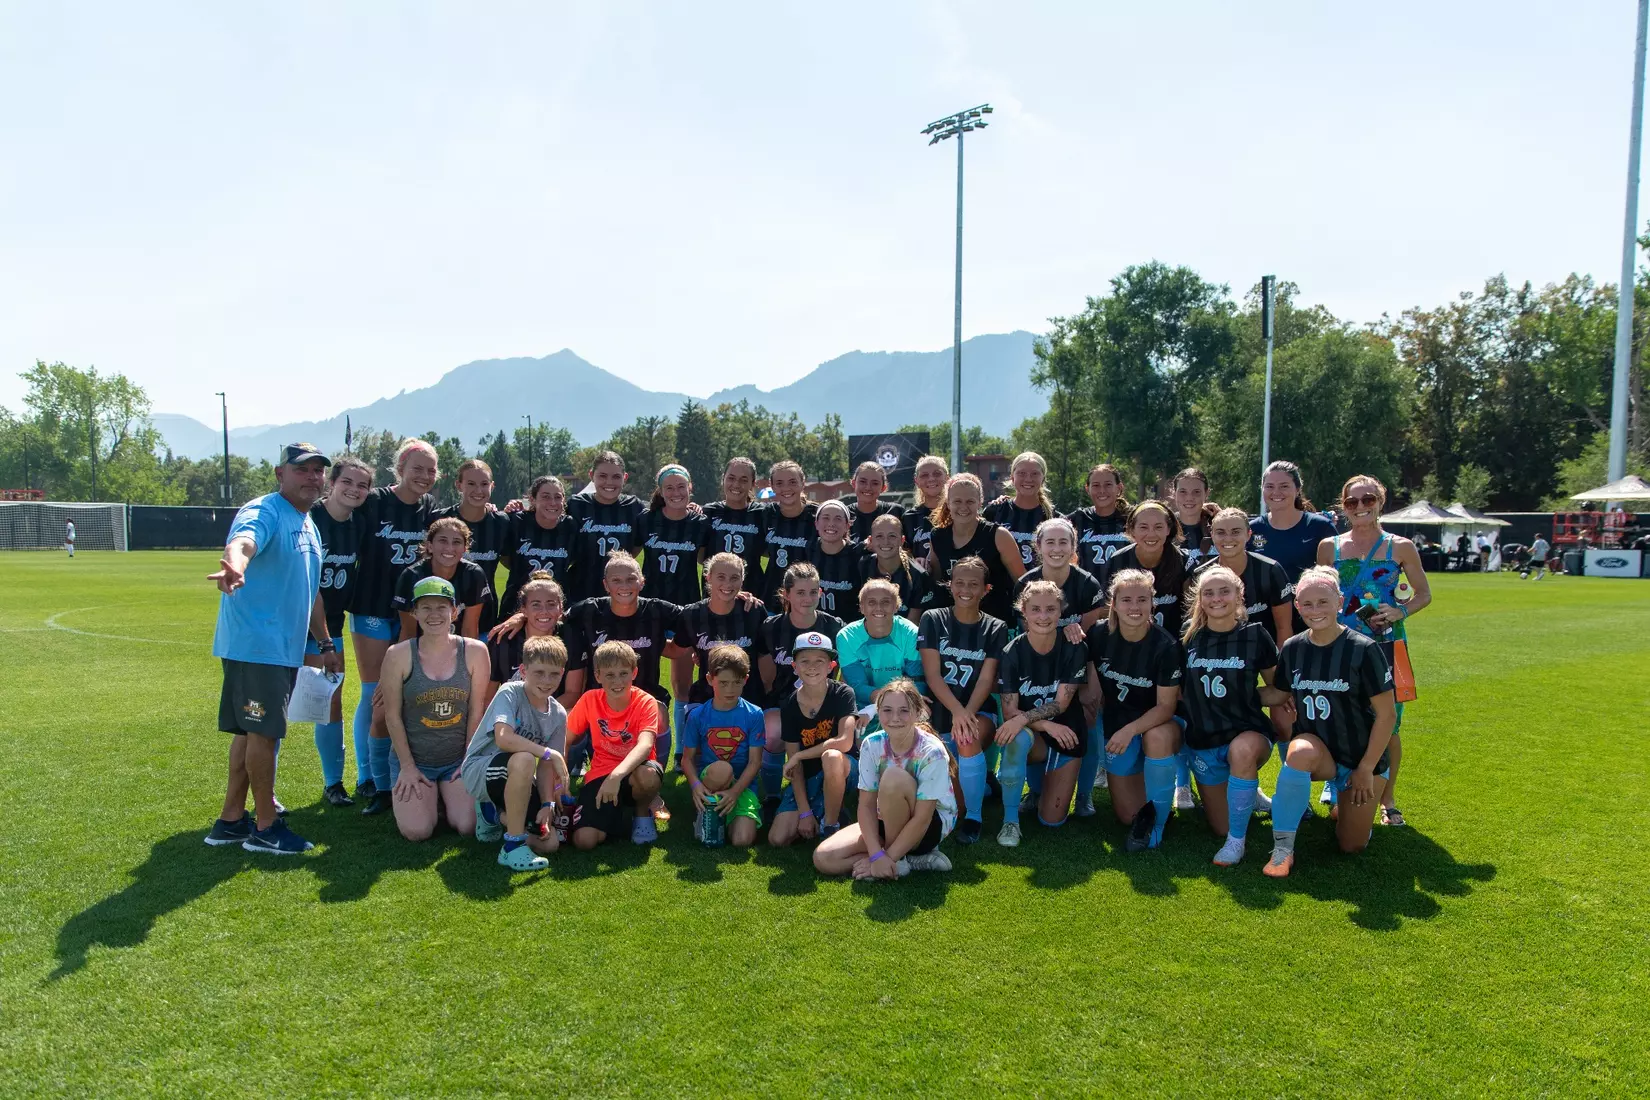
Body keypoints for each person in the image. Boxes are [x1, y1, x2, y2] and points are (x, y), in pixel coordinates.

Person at [204, 443, 335, 855]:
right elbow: (243, 542)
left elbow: (309, 592)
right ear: (281, 474)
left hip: (280, 648)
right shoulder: (265, 510)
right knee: (263, 732)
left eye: (318, 471)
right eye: (303, 470)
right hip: (257, 645)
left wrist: (326, 641)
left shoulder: (307, 522)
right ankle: (265, 826)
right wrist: (235, 565)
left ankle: (230, 820)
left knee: (250, 731)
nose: (312, 478)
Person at [1263, 566, 1397, 878]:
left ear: (1339, 602)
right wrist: (1229, 691)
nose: (1315, 610)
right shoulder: (1294, 648)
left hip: (1361, 759)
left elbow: (1387, 715)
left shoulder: (1364, 649)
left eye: (1323, 602)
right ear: (1297, 607)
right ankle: (1282, 848)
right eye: (1306, 604)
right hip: (1320, 752)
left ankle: (1347, 802)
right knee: (1297, 752)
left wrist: (1365, 769)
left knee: (1351, 846)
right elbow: (1277, 694)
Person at [1318, 474, 1431, 827]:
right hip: (1340, 647)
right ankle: (1339, 787)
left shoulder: (1400, 547)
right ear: (1343, 506)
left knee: (1390, 725)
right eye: (1352, 502)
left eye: (1368, 499)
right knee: (1338, 718)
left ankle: (1388, 797)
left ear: (1381, 502)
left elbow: (1423, 593)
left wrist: (1401, 610)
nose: (1361, 507)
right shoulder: (1329, 547)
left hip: (1388, 646)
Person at [1179, 565, 1290, 867]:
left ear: (1239, 595)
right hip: (1203, 739)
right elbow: (1177, 692)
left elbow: (1278, 690)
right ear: (1199, 599)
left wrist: (1243, 695)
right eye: (1209, 593)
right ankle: (1247, 794)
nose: (1217, 598)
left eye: (1224, 591)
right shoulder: (1188, 638)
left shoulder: (1256, 635)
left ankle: (1236, 843)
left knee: (1241, 751)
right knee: (1219, 825)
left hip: (1248, 731)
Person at [352, 438, 438, 816]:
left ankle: (398, 769)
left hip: (412, 613)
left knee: (407, 694)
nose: (423, 476)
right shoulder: (374, 502)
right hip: (372, 606)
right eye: (416, 468)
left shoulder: (431, 508)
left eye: (431, 470)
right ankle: (367, 776)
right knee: (375, 694)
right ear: (399, 468)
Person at [379, 576, 489, 842]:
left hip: (456, 759)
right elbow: (392, 716)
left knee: (468, 825)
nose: (434, 614)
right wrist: (407, 766)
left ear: (454, 611)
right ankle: (432, 799)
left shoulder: (475, 651)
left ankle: (443, 797)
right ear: (414, 612)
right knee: (417, 831)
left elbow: (476, 711)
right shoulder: (397, 654)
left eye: (442, 607)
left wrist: (468, 759)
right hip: (415, 761)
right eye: (425, 607)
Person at [814, 679, 956, 878]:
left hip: (928, 828)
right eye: (887, 710)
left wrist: (886, 857)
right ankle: (909, 861)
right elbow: (866, 806)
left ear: (917, 713)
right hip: (884, 817)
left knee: (893, 777)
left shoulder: (932, 751)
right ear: (878, 712)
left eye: (904, 711)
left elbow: (923, 817)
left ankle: (897, 860)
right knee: (824, 858)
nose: (895, 718)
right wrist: (875, 856)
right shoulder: (871, 745)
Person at [1089, 568, 1183, 853]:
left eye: (1142, 600)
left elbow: (1166, 707)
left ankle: (1159, 822)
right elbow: (1092, 684)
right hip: (1119, 725)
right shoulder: (1098, 634)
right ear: (1114, 603)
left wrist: (1129, 731)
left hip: (1157, 724)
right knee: (1126, 815)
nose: (1134, 607)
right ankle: (1153, 790)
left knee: (1156, 738)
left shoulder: (1166, 645)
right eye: (1126, 600)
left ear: (1152, 603)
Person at [918, 557, 1007, 844]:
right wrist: (957, 711)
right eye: (959, 582)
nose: (965, 589)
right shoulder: (933, 618)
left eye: (973, 584)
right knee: (947, 788)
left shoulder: (996, 627)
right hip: (941, 711)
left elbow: (986, 678)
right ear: (950, 584)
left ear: (986, 589)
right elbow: (932, 675)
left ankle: (975, 818)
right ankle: (985, 785)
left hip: (978, 711)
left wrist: (966, 714)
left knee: (967, 739)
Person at [463, 634, 571, 871]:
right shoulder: (510, 692)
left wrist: (547, 804)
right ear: (523, 670)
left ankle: (492, 813)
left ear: (562, 673)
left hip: (515, 776)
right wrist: (549, 753)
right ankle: (511, 847)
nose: (546, 680)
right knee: (522, 757)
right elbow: (503, 739)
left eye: (554, 674)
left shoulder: (559, 714)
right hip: (481, 770)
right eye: (539, 673)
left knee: (549, 843)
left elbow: (545, 766)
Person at [996, 580, 1089, 839]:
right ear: (1023, 611)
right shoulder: (1011, 652)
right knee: (1015, 737)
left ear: (1061, 611)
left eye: (1051, 609)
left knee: (1051, 819)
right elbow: (1009, 712)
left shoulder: (1074, 646)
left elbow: (1061, 704)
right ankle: (1010, 821)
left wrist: (1027, 719)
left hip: (1066, 734)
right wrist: (1046, 725)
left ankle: (1041, 790)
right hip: (1036, 735)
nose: (1043, 616)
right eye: (1035, 609)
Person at [308, 455, 372, 806]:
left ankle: (333, 783)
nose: (354, 489)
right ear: (333, 482)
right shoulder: (310, 518)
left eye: (362, 485)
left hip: (331, 623)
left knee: (330, 699)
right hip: (298, 623)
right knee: (280, 704)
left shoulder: (357, 525)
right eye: (347, 481)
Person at [566, 641, 666, 847]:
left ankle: (641, 815)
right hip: (601, 773)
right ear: (598, 676)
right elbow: (563, 739)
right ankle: (616, 816)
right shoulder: (589, 699)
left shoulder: (645, 701)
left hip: (635, 771)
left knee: (647, 776)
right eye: (609, 675)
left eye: (623, 673)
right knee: (584, 841)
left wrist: (616, 775)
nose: (617, 681)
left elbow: (646, 745)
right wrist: (561, 778)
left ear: (634, 673)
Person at [760, 562, 844, 804]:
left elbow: (838, 672)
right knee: (773, 735)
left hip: (821, 702)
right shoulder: (771, 627)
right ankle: (773, 796)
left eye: (813, 592)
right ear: (786, 594)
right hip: (782, 701)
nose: (807, 599)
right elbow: (767, 677)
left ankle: (823, 793)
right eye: (800, 592)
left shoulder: (833, 626)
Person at [769, 631, 860, 846]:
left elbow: (845, 742)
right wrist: (804, 813)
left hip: (846, 769)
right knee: (777, 839)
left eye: (820, 661)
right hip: (809, 775)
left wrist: (801, 754)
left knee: (831, 756)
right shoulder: (790, 705)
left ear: (831, 666)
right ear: (794, 666)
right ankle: (824, 811)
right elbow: (795, 766)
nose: (812, 667)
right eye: (805, 661)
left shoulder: (843, 693)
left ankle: (830, 825)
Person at [680, 645, 767, 848]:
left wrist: (735, 792)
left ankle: (728, 813)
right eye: (723, 683)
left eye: (737, 683)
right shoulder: (697, 715)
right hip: (712, 777)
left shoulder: (754, 714)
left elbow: (755, 762)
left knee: (742, 840)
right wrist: (695, 786)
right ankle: (707, 810)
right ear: (710, 679)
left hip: (741, 784)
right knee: (723, 769)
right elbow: (687, 759)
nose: (730, 690)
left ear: (746, 679)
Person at [669, 552, 776, 711]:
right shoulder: (692, 614)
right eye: (721, 577)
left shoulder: (753, 611)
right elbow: (675, 650)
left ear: (742, 579)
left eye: (734, 578)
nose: (728, 584)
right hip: (707, 698)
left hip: (749, 699)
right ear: (708, 577)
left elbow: (765, 658)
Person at [1248, 460, 1337, 631]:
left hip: (1311, 619)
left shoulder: (1321, 527)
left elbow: (1335, 577)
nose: (1276, 492)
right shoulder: (1252, 530)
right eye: (1270, 486)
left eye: (1284, 486)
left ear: (1297, 490)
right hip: (1263, 621)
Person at [928, 472, 1025, 622]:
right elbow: (935, 582)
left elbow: (1022, 583)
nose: (963, 507)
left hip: (994, 623)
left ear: (980, 503)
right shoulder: (938, 536)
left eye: (970, 501)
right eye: (957, 501)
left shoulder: (998, 535)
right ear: (948, 502)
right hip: (953, 623)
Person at [486, 571, 587, 713]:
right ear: (523, 610)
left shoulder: (571, 637)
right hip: (512, 715)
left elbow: (573, 694)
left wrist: (538, 714)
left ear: (561, 608)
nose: (544, 611)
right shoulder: (504, 639)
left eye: (551, 604)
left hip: (553, 714)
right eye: (536, 605)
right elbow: (488, 697)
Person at [434, 459, 510, 633]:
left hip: (485, 614)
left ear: (492, 486)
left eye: (484, 484)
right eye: (471, 484)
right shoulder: (440, 519)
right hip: (440, 614)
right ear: (458, 485)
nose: (478, 490)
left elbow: (510, 560)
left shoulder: (501, 523)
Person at [835, 579, 923, 718]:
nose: (879, 608)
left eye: (886, 602)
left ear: (896, 606)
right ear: (862, 607)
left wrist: (895, 704)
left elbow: (917, 682)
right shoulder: (846, 636)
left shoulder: (911, 633)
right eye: (871, 602)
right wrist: (882, 705)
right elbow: (857, 687)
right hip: (865, 707)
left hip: (905, 704)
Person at [392, 517, 491, 640]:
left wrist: (465, 657)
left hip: (455, 644)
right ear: (430, 546)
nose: (449, 548)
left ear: (465, 548)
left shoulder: (473, 574)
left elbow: (469, 629)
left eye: (456, 542)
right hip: (420, 645)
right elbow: (409, 632)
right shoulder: (411, 576)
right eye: (443, 541)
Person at [566, 450, 647, 603]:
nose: (609, 482)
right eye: (602, 476)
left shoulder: (634, 507)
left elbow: (637, 546)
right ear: (591, 476)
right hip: (579, 589)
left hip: (621, 591)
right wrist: (513, 507)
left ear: (625, 478)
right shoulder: (576, 505)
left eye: (616, 476)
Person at [498, 475, 577, 618]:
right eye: (545, 497)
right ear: (532, 499)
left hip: (557, 609)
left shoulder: (570, 526)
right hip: (515, 606)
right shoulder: (517, 522)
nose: (552, 502)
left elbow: (574, 561)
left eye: (558, 497)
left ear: (564, 500)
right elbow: (504, 557)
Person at [1012, 517, 1105, 636]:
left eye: (1063, 542)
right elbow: (1029, 636)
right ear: (1039, 546)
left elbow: (1088, 637)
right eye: (1050, 542)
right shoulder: (1024, 585)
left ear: (1073, 547)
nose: (1056, 549)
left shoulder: (1088, 585)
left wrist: (1076, 634)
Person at [640, 463, 711, 607]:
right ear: (660, 491)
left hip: (686, 604)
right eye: (669, 488)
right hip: (648, 604)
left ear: (689, 487)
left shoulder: (700, 523)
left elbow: (702, 560)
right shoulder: (646, 519)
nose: (676, 493)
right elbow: (630, 554)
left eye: (681, 486)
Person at [984, 451, 1059, 570]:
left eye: (1034, 474)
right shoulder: (994, 512)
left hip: (1040, 586)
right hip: (1000, 587)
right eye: (1022, 473)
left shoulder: (1054, 519)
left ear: (1043, 479)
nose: (1028, 479)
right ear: (1012, 478)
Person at [759, 460, 818, 607]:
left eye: (792, 482)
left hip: (808, 598)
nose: (786, 488)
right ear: (772, 486)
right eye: (779, 483)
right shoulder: (766, 514)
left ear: (803, 483)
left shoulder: (818, 516)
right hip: (772, 597)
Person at [703, 457, 766, 592]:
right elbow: (700, 557)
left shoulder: (761, 514)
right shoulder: (708, 512)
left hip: (753, 593)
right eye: (731, 478)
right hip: (714, 594)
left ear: (753, 484)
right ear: (723, 479)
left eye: (744, 480)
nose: (736, 484)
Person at [859, 512, 935, 622]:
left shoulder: (918, 574)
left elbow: (912, 624)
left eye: (892, 536)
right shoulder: (863, 565)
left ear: (902, 540)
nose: (886, 542)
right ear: (871, 540)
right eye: (879, 536)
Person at [1066, 462, 1133, 578]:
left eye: (1108, 485)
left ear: (1119, 488)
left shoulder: (1132, 518)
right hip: (1086, 591)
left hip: (1125, 591)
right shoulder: (1078, 518)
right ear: (1087, 489)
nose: (1102, 490)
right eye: (1096, 485)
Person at [808, 499, 865, 622]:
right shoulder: (807, 551)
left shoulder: (859, 555)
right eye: (826, 518)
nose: (831, 524)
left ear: (847, 525)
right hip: (813, 627)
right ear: (816, 523)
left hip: (849, 629)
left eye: (838, 519)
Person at [904, 454, 949, 565]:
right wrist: (914, 562)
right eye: (924, 475)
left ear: (947, 478)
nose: (931, 479)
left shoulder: (957, 513)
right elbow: (904, 554)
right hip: (920, 580)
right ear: (916, 481)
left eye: (937, 474)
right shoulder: (909, 518)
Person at [1171, 466, 1219, 569]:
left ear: (1206, 493)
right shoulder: (1164, 526)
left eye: (1196, 492)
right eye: (1183, 491)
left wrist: (1223, 517)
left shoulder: (1219, 527)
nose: (1189, 498)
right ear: (1174, 493)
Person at [844, 461, 903, 543]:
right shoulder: (844, 515)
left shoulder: (896, 512)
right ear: (854, 483)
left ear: (883, 488)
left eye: (875, 483)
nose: (868, 487)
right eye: (863, 482)